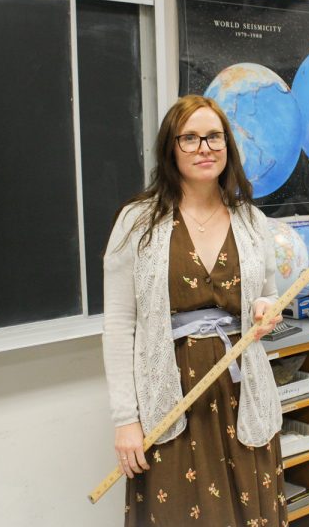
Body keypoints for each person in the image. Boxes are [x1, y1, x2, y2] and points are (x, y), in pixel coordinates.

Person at [102, 95, 287, 526]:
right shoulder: (138, 222)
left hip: (243, 395)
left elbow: (269, 295)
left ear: (228, 146)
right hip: (169, 398)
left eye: (214, 137)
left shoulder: (252, 220)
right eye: (190, 138)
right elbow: (118, 325)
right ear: (171, 148)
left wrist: (266, 309)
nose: (204, 147)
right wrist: (126, 421)